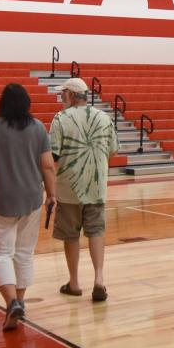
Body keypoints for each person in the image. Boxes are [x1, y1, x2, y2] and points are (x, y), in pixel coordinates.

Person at [0, 84, 57, 332]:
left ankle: (12, 302)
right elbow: (48, 166)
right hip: (31, 199)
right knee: (24, 253)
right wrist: (52, 194)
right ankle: (20, 302)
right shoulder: (38, 128)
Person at [49, 77, 119, 302]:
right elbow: (113, 151)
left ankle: (75, 282)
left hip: (69, 187)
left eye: (63, 94)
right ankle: (99, 279)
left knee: (71, 235)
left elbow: (53, 156)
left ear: (70, 95)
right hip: (97, 186)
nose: (61, 99)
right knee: (96, 231)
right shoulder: (104, 117)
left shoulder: (60, 118)